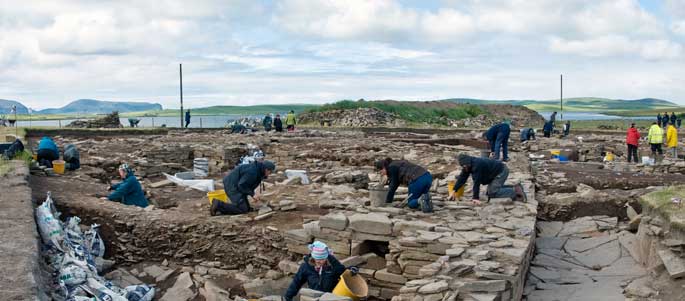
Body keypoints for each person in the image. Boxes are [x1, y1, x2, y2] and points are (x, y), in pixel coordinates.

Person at [284, 241, 356, 301]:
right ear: (313, 257)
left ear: (326, 257)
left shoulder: (333, 264)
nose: (320, 262)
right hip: (314, 296)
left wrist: (351, 269)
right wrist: (288, 297)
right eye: (317, 260)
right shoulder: (306, 267)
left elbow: (343, 272)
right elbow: (296, 282)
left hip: (330, 297)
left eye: (322, 259)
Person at [448, 154, 525, 205]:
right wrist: (454, 190)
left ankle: (514, 191)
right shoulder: (468, 166)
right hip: (494, 173)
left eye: (466, 166)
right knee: (489, 192)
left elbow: (476, 182)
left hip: (501, 172)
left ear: (468, 163)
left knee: (493, 193)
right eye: (463, 166)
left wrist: (475, 198)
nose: (465, 168)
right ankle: (515, 187)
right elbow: (462, 178)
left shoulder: (477, 165)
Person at [210, 160, 276, 216]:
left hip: (237, 184)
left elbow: (251, 183)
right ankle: (218, 204)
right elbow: (241, 185)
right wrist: (253, 194)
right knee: (242, 209)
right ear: (266, 169)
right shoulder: (252, 172)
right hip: (232, 186)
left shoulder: (259, 170)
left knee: (247, 208)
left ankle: (221, 208)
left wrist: (254, 194)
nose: (269, 174)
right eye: (270, 172)